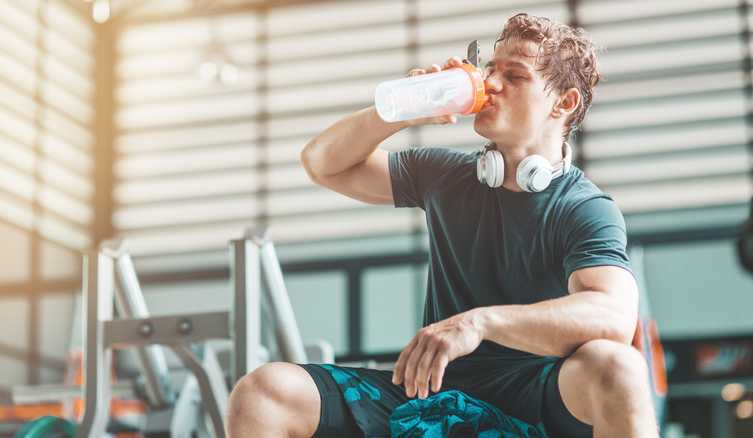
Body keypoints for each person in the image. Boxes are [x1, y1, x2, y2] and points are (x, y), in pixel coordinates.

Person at [226, 12, 659, 438]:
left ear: (563, 103)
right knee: (263, 393)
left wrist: (479, 323)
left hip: (538, 397)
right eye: (490, 70)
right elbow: (321, 164)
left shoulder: (585, 208)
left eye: (516, 75)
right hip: (430, 393)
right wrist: (401, 111)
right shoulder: (443, 175)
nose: (491, 84)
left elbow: (614, 315)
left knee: (618, 366)